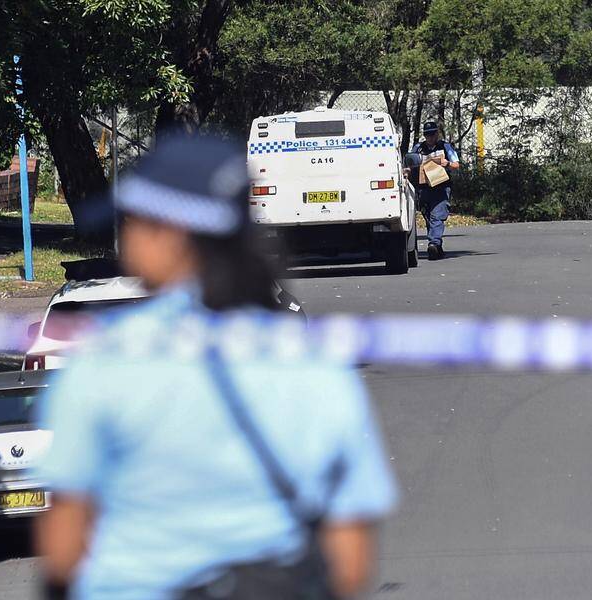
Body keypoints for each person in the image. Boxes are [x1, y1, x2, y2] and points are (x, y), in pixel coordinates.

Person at [34, 135, 397, 600]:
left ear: (171, 231)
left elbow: (63, 548)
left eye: (135, 223)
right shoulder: (311, 364)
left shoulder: (106, 362)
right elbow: (350, 559)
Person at [411, 121, 460, 260]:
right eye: (427, 135)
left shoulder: (445, 146)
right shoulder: (418, 149)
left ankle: (434, 243)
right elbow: (409, 164)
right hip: (424, 189)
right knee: (428, 217)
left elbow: (456, 164)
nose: (430, 137)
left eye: (432, 134)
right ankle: (437, 247)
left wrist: (448, 164)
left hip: (441, 187)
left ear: (437, 134)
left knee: (437, 215)